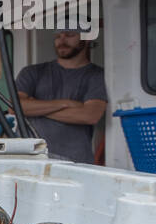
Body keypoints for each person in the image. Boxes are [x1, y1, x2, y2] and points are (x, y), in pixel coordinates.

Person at [14, 30, 107, 163]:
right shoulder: (32, 72)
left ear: (87, 39)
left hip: (74, 161)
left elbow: (90, 115)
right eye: (58, 36)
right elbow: (15, 107)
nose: (62, 41)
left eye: (69, 35)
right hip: (28, 157)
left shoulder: (97, 75)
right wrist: (66, 103)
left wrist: (34, 108)